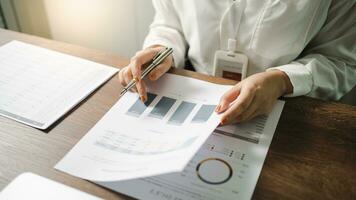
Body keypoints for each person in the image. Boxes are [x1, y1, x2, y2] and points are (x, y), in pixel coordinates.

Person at [119, 0, 356, 125]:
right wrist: (160, 49)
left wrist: (282, 80)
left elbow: (341, 60)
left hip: (288, 110)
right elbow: (170, 21)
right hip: (195, 89)